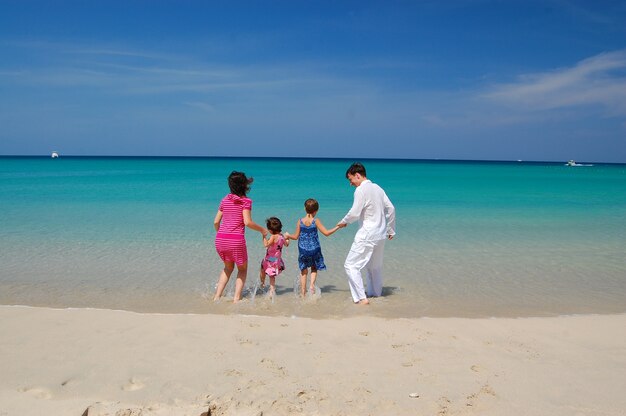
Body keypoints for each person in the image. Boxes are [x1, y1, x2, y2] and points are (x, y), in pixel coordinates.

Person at [337, 163, 395, 305]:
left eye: (351, 180)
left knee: (350, 265)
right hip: (380, 234)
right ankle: (375, 295)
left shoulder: (360, 190)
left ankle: (362, 299)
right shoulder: (378, 188)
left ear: (358, 175)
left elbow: (355, 213)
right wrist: (391, 229)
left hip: (367, 234)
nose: (351, 184)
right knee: (374, 267)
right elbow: (391, 208)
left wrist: (344, 221)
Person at [213, 171, 267, 303]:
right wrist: (262, 230)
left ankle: (217, 297)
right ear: (245, 185)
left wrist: (221, 233)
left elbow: (215, 222)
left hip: (220, 239)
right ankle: (236, 298)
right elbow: (247, 222)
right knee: (242, 269)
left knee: (228, 268)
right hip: (236, 240)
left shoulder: (224, 200)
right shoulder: (245, 201)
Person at [285, 198, 341, 297]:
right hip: (315, 248)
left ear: (305, 209)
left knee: (303, 270)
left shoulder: (300, 221)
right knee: (314, 268)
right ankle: (311, 285)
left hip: (303, 249)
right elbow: (326, 233)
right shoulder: (316, 221)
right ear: (316, 211)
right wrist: (338, 227)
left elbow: (295, 236)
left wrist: (288, 235)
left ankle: (303, 292)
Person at [259, 217, 289, 296]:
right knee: (272, 276)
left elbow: (266, 245)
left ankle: (262, 284)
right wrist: (288, 238)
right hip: (277, 260)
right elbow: (287, 244)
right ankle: (272, 290)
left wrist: (264, 237)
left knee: (262, 268)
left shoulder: (273, 237)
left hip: (269, 259)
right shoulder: (282, 236)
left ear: (270, 230)